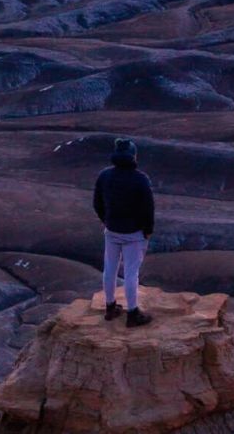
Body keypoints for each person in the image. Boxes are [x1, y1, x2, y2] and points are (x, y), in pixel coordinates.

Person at [92, 137, 155, 327]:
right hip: (134, 234)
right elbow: (148, 208)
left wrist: (107, 220)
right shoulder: (140, 179)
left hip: (112, 230)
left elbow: (97, 203)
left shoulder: (105, 176)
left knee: (109, 269)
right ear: (134, 156)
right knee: (131, 273)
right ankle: (133, 313)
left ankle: (110, 307)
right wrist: (148, 230)